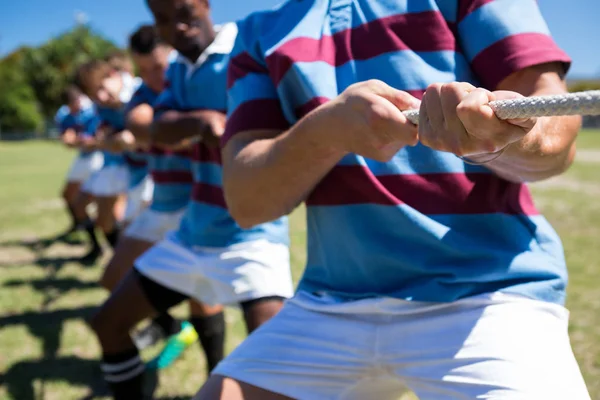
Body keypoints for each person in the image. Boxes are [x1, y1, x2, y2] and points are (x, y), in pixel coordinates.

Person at [196, 0, 591, 399]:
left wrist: (498, 139)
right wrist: (327, 131)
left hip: (490, 293)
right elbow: (249, 205)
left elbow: (557, 138)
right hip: (331, 302)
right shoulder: (258, 34)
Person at [89, 2, 294, 398]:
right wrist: (201, 123)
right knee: (108, 323)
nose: (177, 28)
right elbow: (158, 128)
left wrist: (228, 128)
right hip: (193, 231)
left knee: (277, 365)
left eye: (185, 13)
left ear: (206, 5)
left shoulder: (246, 47)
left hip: (252, 236)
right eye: (164, 20)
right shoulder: (181, 68)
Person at [101, 24, 226, 372]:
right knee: (113, 277)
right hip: (161, 204)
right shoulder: (144, 95)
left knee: (203, 297)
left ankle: (214, 371)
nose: (152, 76)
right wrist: (134, 134)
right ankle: (170, 326)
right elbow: (139, 121)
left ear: (170, 53)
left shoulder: (192, 83)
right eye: (143, 70)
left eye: (157, 67)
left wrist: (161, 131)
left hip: (198, 203)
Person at [74, 60, 143, 253]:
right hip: (123, 163)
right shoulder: (101, 106)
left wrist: (133, 135)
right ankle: (120, 258)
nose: (101, 97)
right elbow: (106, 135)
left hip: (150, 170)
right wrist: (107, 139)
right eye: (94, 95)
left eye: (102, 88)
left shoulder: (139, 91)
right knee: (104, 220)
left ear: (113, 75)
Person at [54, 86, 104, 241]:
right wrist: (69, 140)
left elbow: (96, 140)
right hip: (83, 157)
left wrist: (75, 140)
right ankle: (78, 224)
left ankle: (98, 241)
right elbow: (67, 137)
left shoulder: (92, 110)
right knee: (68, 195)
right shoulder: (66, 114)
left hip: (99, 157)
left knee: (94, 202)